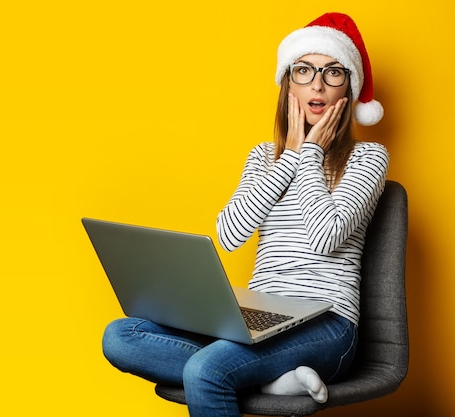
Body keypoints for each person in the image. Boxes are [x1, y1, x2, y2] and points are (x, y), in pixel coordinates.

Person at [101, 12, 388, 417]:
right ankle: (271, 379)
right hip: (257, 317)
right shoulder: (262, 157)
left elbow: (324, 235)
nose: (317, 84)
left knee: (207, 370)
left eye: (333, 72)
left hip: (328, 323)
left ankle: (247, 371)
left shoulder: (368, 158)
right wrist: (287, 156)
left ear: (350, 88)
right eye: (304, 70)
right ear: (288, 84)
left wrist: (309, 152)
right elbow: (230, 233)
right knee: (121, 335)